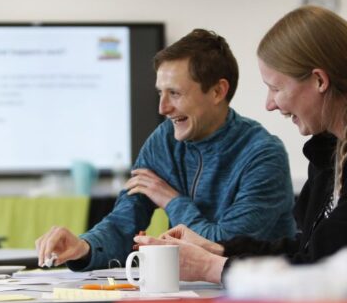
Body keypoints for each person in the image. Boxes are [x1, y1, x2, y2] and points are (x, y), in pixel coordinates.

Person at [135, 6, 347, 283]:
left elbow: (323, 269)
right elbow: (306, 248)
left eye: (275, 88)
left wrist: (210, 267)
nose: (270, 104)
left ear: (319, 81)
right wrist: (218, 248)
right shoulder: (330, 146)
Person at [36, 29, 296, 272]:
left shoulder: (263, 154)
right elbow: (123, 222)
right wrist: (85, 246)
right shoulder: (164, 140)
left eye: (175, 93)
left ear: (218, 91)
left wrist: (172, 201)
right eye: (160, 92)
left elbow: (223, 247)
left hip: (255, 299)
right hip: (189, 294)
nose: (163, 108)